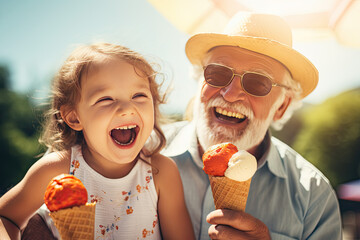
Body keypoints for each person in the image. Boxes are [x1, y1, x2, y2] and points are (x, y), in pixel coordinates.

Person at [161, 12, 343, 239]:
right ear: (199, 81)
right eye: (217, 73)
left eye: (257, 82)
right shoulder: (139, 154)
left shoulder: (314, 198)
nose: (230, 94)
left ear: (282, 106)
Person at [0, 42, 195, 240]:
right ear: (75, 118)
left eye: (139, 95)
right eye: (106, 99)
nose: (127, 108)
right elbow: (5, 217)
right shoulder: (56, 171)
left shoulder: (161, 173)